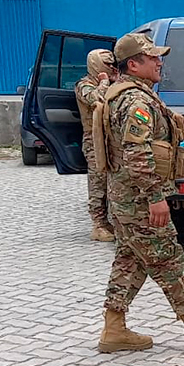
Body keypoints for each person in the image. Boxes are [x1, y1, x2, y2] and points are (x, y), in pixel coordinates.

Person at [96, 33, 184, 351]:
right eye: (153, 58)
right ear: (133, 64)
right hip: (138, 200)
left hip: (124, 198)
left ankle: (114, 328)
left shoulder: (127, 95)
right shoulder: (136, 101)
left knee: (130, 260)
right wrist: (155, 197)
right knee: (168, 258)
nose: (160, 62)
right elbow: (137, 153)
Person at [76, 49, 117, 242]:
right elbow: (96, 99)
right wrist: (104, 82)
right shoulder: (84, 84)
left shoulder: (111, 81)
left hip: (110, 138)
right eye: (107, 64)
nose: (110, 67)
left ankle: (108, 221)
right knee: (98, 181)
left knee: (111, 180)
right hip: (94, 139)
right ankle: (98, 224)